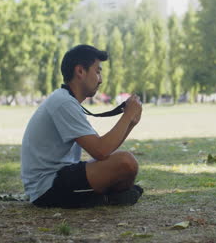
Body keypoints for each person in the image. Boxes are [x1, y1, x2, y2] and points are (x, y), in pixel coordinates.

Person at [21, 44, 143, 208]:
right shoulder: (63, 103)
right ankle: (109, 196)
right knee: (126, 163)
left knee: (124, 167)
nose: (100, 80)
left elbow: (103, 149)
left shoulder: (66, 100)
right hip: (47, 187)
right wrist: (127, 116)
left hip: (59, 176)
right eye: (98, 71)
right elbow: (100, 151)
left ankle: (107, 196)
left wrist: (131, 123)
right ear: (80, 71)